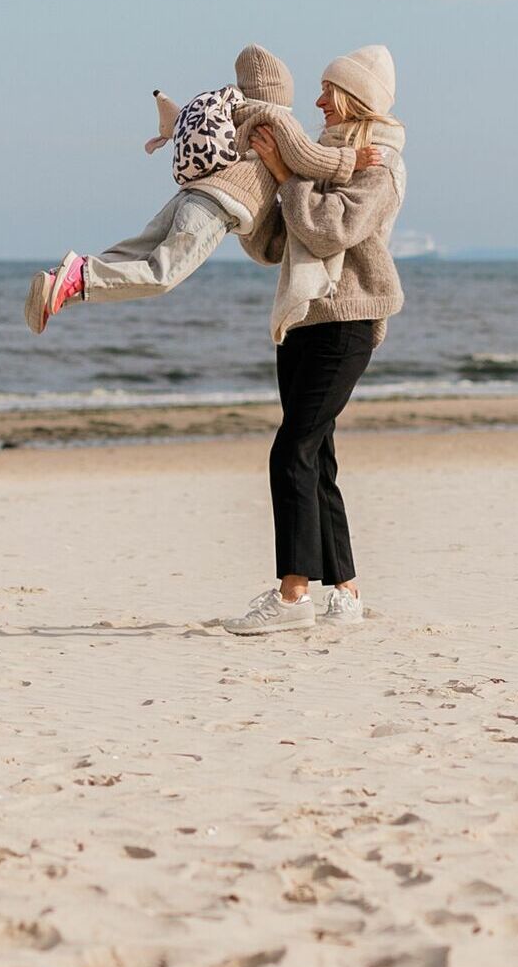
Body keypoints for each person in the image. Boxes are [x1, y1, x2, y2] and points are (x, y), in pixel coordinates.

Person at [220, 45, 408, 634]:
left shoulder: (379, 164)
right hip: (303, 318)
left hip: (347, 319)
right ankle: (345, 593)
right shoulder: (319, 161)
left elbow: (329, 232)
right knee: (318, 455)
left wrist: (283, 175)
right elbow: (278, 243)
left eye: (330, 91)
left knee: (292, 450)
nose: (319, 101)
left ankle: (293, 596)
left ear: (356, 100)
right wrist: (250, 194)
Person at [24, 45, 384, 334]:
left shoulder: (231, 110)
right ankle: (78, 278)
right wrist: (351, 160)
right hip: (215, 208)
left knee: (135, 251)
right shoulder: (275, 119)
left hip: (188, 197)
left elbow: (175, 118)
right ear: (279, 93)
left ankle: (62, 285)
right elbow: (308, 157)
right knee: (161, 275)